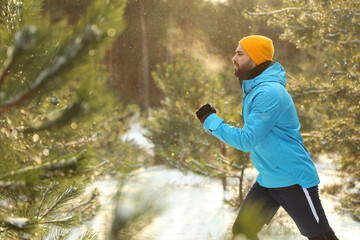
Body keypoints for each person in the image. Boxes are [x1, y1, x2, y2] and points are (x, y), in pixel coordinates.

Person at [195, 35, 339, 240]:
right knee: (243, 232)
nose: (233, 58)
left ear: (255, 58)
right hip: (268, 178)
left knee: (321, 236)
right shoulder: (254, 89)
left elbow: (247, 140)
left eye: (239, 53)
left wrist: (210, 121)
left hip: (294, 180)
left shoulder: (269, 92)